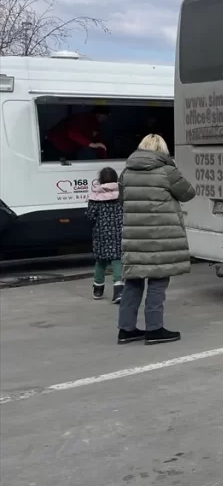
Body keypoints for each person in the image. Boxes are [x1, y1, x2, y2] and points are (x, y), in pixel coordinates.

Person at [117, 134, 195, 345]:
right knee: (157, 283)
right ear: (163, 150)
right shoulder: (167, 171)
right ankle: (154, 329)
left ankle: (126, 330)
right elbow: (188, 193)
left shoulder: (126, 173)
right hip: (161, 237)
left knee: (132, 283)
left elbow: (123, 198)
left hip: (134, 237)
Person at [86, 167, 124, 303]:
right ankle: (119, 290)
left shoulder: (95, 195)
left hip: (101, 233)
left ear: (100, 179)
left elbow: (90, 216)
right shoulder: (122, 193)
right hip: (118, 232)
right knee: (117, 259)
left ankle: (98, 289)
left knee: (100, 261)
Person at [44, 106, 110, 160]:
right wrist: (91, 144)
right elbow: (72, 133)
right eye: (106, 116)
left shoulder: (98, 126)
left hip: (70, 151)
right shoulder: (83, 118)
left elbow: (99, 144)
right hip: (55, 146)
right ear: (100, 114)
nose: (106, 119)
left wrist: (104, 160)